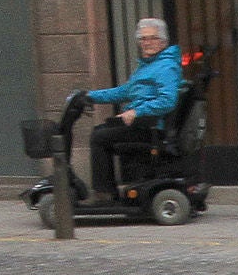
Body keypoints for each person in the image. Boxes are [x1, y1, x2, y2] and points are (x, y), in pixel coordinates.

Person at [79, 19, 186, 180]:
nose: (147, 43)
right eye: (143, 39)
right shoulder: (148, 66)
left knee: (99, 137)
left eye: (153, 38)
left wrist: (136, 112)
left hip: (152, 127)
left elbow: (167, 100)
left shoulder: (166, 67)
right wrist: (90, 96)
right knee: (99, 131)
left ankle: (105, 191)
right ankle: (115, 188)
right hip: (143, 123)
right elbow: (125, 91)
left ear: (163, 42)